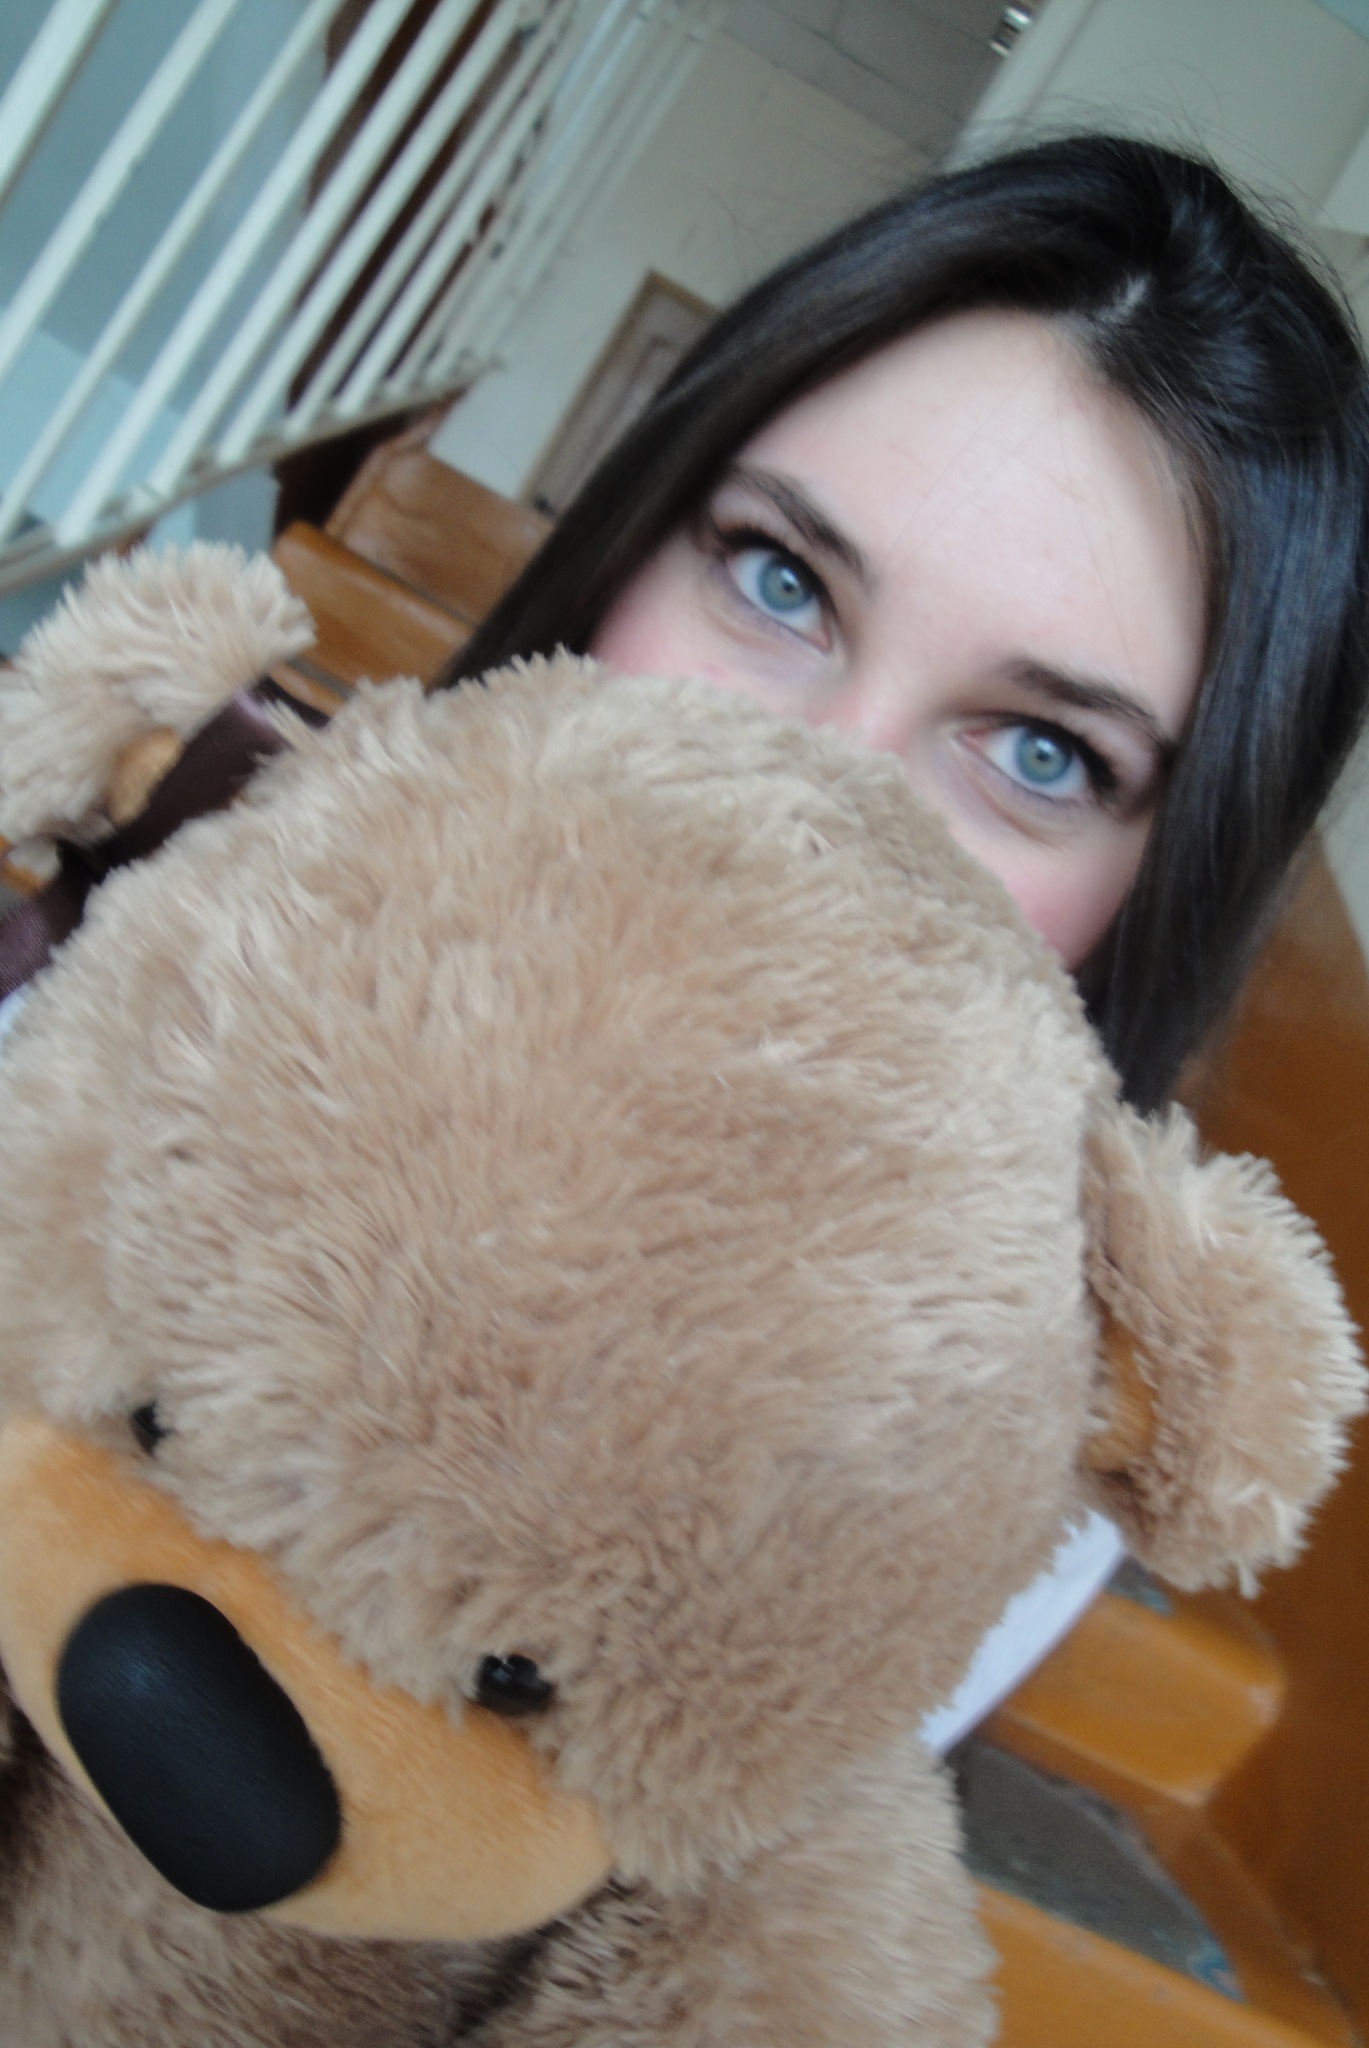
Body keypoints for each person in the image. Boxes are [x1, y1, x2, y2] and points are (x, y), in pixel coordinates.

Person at [433, 133, 1369, 1743]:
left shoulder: (990, 1509)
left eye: (1041, 755)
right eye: (778, 579)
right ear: (632, 540)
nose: (807, 800)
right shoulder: (167, 962)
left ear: (1147, 900)